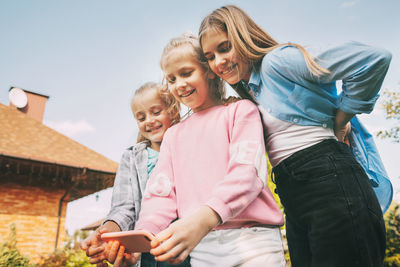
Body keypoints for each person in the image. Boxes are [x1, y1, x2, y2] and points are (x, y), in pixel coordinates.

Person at [199, 5, 393, 267]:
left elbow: (374, 59)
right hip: (294, 200)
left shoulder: (277, 62)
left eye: (224, 48)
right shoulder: (252, 94)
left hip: (330, 185)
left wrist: (340, 120)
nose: (218, 62)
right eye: (210, 56)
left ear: (244, 36)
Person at [132, 33, 286, 267]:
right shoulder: (173, 135)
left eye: (186, 73)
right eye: (171, 79)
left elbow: (247, 174)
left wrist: (205, 218)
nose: (179, 85)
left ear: (210, 70)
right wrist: (142, 237)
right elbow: (161, 194)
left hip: (254, 240)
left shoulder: (240, 111)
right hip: (203, 247)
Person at [81, 82, 190, 267]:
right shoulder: (131, 158)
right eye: (141, 117)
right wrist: (107, 232)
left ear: (173, 110)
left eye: (156, 112)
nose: (149, 120)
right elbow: (124, 207)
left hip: (187, 248)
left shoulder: (188, 147)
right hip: (146, 254)